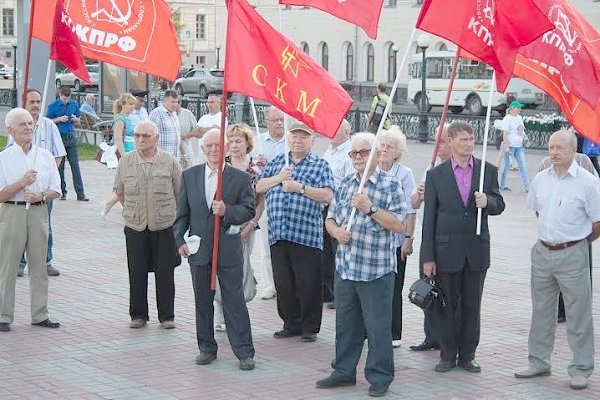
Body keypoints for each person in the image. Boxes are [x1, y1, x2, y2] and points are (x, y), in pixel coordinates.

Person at [316, 132, 405, 398]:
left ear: (377, 154)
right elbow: (330, 219)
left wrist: (370, 208)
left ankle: (380, 376)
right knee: (346, 324)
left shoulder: (390, 185)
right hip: (346, 267)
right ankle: (343, 370)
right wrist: (336, 232)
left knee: (378, 327)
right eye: (354, 153)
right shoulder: (344, 184)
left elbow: (399, 224)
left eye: (363, 152)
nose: (357, 157)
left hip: (376, 270)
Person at [514, 130, 600, 390]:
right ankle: (539, 361)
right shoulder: (541, 179)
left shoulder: (587, 182)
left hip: (573, 251)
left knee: (578, 314)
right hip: (542, 251)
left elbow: (598, 222)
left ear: (573, 150)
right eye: (551, 147)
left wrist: (578, 243)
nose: (553, 153)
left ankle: (581, 368)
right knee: (541, 310)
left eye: (559, 148)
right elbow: (539, 211)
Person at [421, 121, 505, 373]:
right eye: (463, 140)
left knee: (471, 306)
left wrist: (487, 201)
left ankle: (468, 354)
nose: (469, 144)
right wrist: (428, 257)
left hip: (476, 251)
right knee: (447, 306)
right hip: (446, 251)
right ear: (450, 141)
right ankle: (447, 354)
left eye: (471, 139)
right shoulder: (436, 175)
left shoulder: (486, 171)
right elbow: (429, 220)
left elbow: (499, 204)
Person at [173, 128, 256, 371]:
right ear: (202, 148)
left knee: (234, 300)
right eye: (208, 146)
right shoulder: (190, 176)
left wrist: (227, 211)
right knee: (202, 300)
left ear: (226, 147)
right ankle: (206, 347)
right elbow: (182, 215)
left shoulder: (240, 178)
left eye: (218, 145)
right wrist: (180, 241)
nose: (213, 150)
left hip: (228, 249)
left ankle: (244, 351)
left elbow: (248, 210)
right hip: (200, 249)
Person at [256, 121, 334, 343]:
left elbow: (327, 195)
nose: (298, 140)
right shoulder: (278, 163)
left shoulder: (320, 165)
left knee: (308, 282)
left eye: (303, 137)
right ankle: (290, 323)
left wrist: (299, 187)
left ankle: (310, 326)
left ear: (312, 140)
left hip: (306, 234)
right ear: (289, 139)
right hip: (278, 232)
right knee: (284, 282)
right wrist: (279, 178)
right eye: (295, 136)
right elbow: (259, 187)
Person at [113, 120, 182, 329]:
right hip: (135, 225)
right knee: (136, 271)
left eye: (145, 136)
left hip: (164, 225)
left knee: (165, 272)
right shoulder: (126, 161)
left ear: (156, 138)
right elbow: (120, 192)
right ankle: (138, 315)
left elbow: (179, 193)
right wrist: (134, 210)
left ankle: (167, 316)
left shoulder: (169, 162)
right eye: (137, 136)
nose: (140, 140)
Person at [0, 108, 62, 333]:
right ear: (10, 130)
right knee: (7, 266)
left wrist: (41, 196)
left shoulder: (44, 156)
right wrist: (21, 182)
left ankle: (40, 314)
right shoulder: (3, 158)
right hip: (11, 213)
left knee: (39, 266)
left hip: (38, 212)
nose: (28, 127)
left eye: (30, 123)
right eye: (23, 124)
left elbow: (56, 189)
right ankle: (3, 315)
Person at [7, 89, 66, 278]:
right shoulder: (16, 126)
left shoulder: (49, 126)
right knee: (19, 227)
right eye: (32, 101)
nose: (36, 105)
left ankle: (46, 261)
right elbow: (11, 154)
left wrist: (48, 177)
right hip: (21, 188)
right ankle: (19, 262)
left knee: (44, 225)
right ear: (25, 103)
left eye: (38, 101)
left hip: (42, 189)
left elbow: (58, 154)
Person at [212, 123, 264, 332]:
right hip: (223, 225)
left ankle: (237, 309)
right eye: (230, 141)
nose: (234, 145)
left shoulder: (256, 167)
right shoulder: (220, 166)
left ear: (247, 143)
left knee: (241, 267)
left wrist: (250, 225)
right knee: (219, 267)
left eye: (238, 141)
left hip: (246, 226)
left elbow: (259, 202)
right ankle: (220, 312)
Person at [538, 151, 597, 324]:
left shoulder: (583, 161)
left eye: (561, 146)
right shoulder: (546, 163)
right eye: (553, 146)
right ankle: (558, 310)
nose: (556, 150)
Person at [409, 125, 450, 352]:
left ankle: (446, 338)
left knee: (445, 291)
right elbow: (414, 204)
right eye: (435, 141)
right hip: (428, 237)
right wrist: (420, 193)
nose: (436, 146)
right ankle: (430, 336)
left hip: (445, 240)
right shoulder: (431, 168)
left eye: (441, 141)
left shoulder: (453, 170)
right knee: (427, 288)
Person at [376, 126, 416, 349]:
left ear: (397, 151)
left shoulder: (404, 173)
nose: (384, 149)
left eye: (389, 146)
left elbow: (411, 210)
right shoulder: (373, 171)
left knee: (393, 287)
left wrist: (408, 238)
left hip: (395, 240)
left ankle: (393, 333)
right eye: (382, 145)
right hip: (374, 240)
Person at [250, 106, 288, 300]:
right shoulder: (258, 142)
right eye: (275, 120)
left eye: (281, 119)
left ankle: (287, 284)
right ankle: (270, 284)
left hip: (287, 198)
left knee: (287, 244)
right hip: (265, 198)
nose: (279, 123)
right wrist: (257, 164)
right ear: (267, 122)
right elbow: (251, 172)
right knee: (266, 243)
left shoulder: (291, 142)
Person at [321, 119, 354, 308]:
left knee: (336, 251)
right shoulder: (329, 151)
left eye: (335, 130)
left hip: (340, 208)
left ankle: (338, 293)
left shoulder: (349, 152)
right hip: (324, 207)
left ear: (346, 132)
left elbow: (348, 182)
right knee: (325, 252)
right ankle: (328, 290)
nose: (330, 133)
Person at [46, 86, 89, 201]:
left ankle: (80, 193)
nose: (66, 101)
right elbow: (48, 121)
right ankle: (62, 192)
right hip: (59, 138)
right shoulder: (53, 107)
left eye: (68, 99)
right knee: (60, 167)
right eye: (64, 99)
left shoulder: (73, 104)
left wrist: (76, 119)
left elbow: (79, 119)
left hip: (70, 138)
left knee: (75, 166)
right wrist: (59, 119)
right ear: (60, 95)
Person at [101, 93, 137, 218]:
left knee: (129, 183)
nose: (132, 107)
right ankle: (124, 208)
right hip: (126, 153)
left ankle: (113, 206)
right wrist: (124, 155)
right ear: (123, 105)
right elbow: (117, 138)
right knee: (128, 183)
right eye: (130, 104)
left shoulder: (127, 118)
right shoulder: (120, 118)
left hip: (132, 151)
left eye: (133, 104)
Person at [187, 94, 228, 167]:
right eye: (208, 102)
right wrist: (207, 129)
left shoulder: (221, 117)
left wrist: (201, 129)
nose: (209, 105)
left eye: (212, 102)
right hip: (201, 152)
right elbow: (195, 132)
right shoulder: (204, 117)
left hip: (214, 152)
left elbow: (215, 131)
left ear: (219, 103)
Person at [499, 100, 529, 192]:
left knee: (523, 165)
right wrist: (507, 146)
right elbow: (505, 133)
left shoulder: (519, 117)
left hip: (519, 146)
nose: (519, 109)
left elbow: (521, 128)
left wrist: (522, 133)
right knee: (506, 166)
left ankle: (528, 187)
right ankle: (501, 185)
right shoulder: (507, 119)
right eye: (518, 108)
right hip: (510, 145)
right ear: (513, 109)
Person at [149, 90, 181, 160]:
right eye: (172, 102)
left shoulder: (174, 115)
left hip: (174, 159)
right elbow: (149, 136)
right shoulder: (156, 114)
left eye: (176, 102)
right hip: (161, 159)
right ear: (164, 101)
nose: (175, 105)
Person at [177, 98, 201, 169]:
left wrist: (186, 135)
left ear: (180, 103)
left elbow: (197, 131)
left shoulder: (187, 113)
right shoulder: (168, 115)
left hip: (187, 149)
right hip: (173, 151)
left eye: (176, 103)